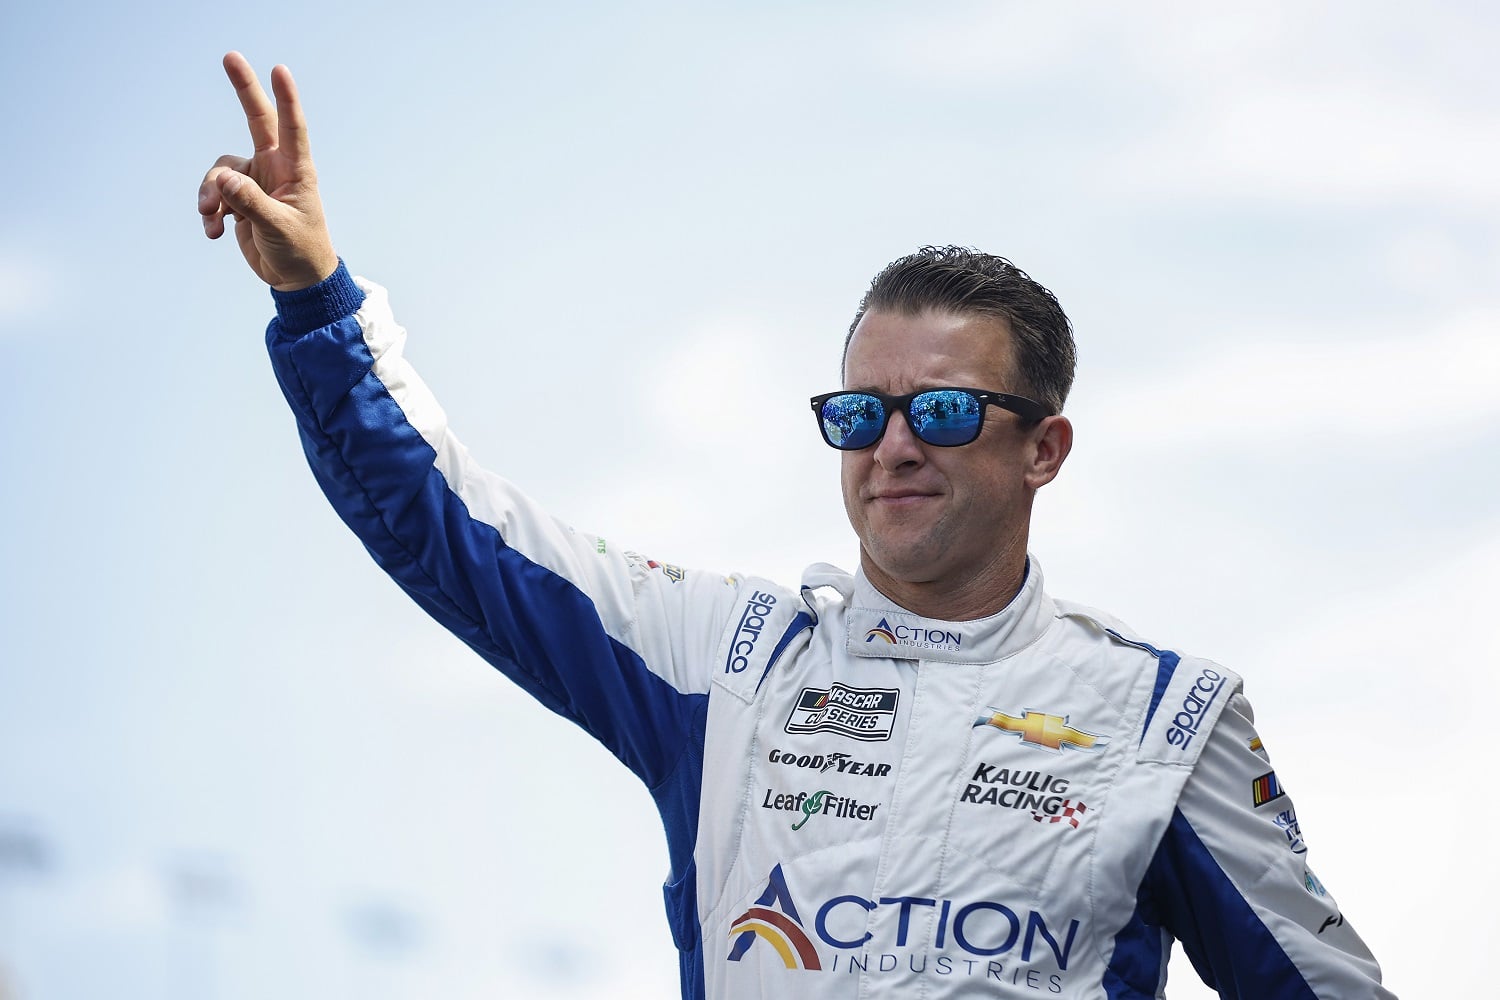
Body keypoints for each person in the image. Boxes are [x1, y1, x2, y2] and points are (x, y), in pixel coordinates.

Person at [198, 52, 1393, 1000]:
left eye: (940, 408)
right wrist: (317, 302)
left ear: (1046, 448)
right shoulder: (726, 658)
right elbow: (447, 520)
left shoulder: (1166, 718)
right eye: (859, 412)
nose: (894, 443)